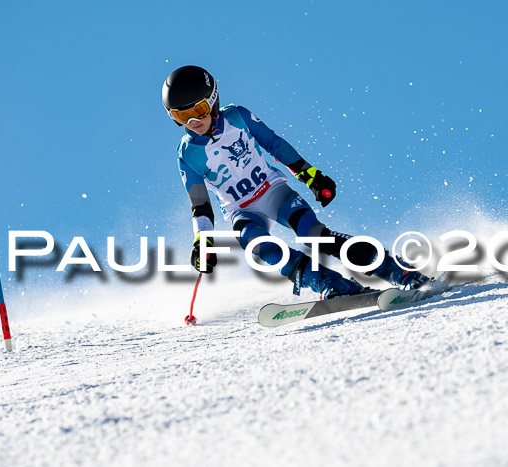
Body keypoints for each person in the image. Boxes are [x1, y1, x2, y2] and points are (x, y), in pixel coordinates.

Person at [162, 65, 433, 299]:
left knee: (313, 234)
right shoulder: (187, 154)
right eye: (182, 116)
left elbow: (274, 144)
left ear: (213, 100)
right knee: (257, 246)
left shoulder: (237, 117)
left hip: (273, 190)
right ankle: (331, 284)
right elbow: (200, 204)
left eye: (198, 109)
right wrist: (203, 240)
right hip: (241, 210)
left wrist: (311, 176)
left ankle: (398, 271)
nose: (194, 121)